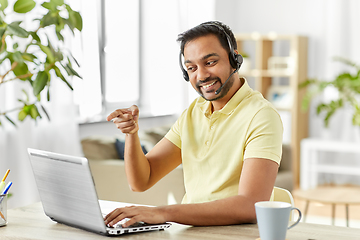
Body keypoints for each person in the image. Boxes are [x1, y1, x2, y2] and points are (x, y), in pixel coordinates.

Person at [105, 21, 283, 227]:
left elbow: (250, 206)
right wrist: (132, 134)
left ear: (234, 58)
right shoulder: (193, 112)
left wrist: (162, 212)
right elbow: (141, 181)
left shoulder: (261, 115)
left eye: (210, 62)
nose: (201, 75)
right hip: (191, 231)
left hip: (234, 233)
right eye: (191, 68)